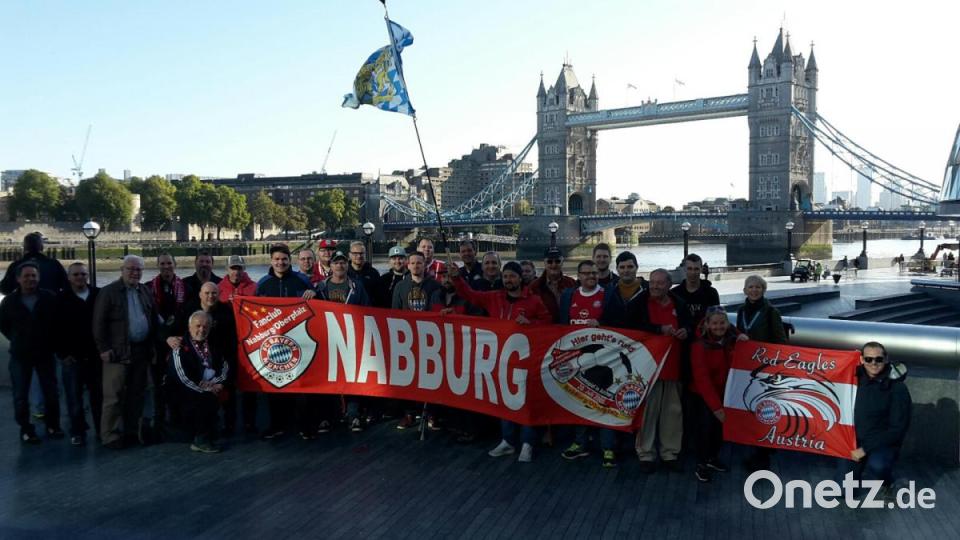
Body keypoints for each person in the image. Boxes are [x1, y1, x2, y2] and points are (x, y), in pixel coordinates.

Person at [450, 260, 551, 462]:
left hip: (525, 362)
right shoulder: (494, 297)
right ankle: (508, 441)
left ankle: (527, 443)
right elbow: (470, 295)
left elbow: (548, 323)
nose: (508, 280)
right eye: (505, 276)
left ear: (520, 278)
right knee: (506, 401)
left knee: (525, 403)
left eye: (512, 276)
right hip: (502, 360)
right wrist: (456, 278)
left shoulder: (534, 301)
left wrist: (531, 323)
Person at [558, 260, 619, 468]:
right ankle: (580, 443)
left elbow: (622, 323)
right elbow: (561, 326)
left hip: (603, 359)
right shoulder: (569, 296)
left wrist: (602, 325)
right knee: (579, 400)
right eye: (587, 273)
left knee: (603, 403)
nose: (591, 276)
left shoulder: (609, 295)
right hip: (576, 359)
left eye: (594, 273)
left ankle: (608, 447)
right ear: (579, 276)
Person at [630, 268, 692, 473]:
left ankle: (670, 453)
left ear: (669, 285)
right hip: (648, 368)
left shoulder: (679, 304)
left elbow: (689, 326)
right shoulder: (639, 303)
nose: (654, 286)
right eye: (652, 282)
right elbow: (631, 326)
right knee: (648, 412)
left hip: (674, 366)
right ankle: (645, 453)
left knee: (672, 413)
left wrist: (686, 331)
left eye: (659, 283)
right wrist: (658, 330)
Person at [93, 255, 157, 449]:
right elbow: (98, 323)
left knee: (137, 395)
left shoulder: (145, 291)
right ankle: (110, 436)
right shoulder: (108, 292)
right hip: (117, 353)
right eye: (130, 269)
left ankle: (131, 432)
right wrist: (103, 348)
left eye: (138, 270)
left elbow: (153, 319)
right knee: (114, 396)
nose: (134, 273)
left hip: (141, 351)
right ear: (122, 270)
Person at [256, 244, 316, 440]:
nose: (280, 262)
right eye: (277, 259)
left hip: (300, 341)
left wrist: (314, 295)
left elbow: (317, 308)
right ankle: (277, 425)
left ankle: (304, 425)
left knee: (301, 387)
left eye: (284, 259)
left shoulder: (302, 281)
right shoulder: (263, 284)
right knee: (275, 385)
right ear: (271, 261)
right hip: (273, 343)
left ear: (290, 261)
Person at [838, 342, 912, 496]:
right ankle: (857, 473)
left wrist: (864, 449)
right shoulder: (852, 379)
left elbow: (897, 430)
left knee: (878, 466)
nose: (873, 363)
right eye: (868, 359)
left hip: (882, 443)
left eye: (878, 359)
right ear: (861, 359)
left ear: (886, 359)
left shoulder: (897, 388)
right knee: (843, 492)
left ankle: (888, 481)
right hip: (855, 441)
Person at [0, 262, 62, 443]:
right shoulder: (9, 302)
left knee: (51, 392)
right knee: (20, 395)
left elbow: (57, 324)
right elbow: (3, 325)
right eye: (26, 276)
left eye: (34, 275)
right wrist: (18, 340)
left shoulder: (49, 298)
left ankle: (53, 425)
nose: (30, 279)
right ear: (18, 279)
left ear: (39, 278)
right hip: (20, 355)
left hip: (45, 353)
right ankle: (26, 429)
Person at [735, 274, 787, 471]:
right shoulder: (741, 311)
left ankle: (762, 457)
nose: (754, 290)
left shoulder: (771, 311)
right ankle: (756, 448)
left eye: (758, 287)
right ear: (745, 291)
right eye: (750, 287)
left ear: (763, 290)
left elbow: (780, 340)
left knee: (765, 410)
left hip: (765, 370)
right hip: (747, 368)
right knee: (750, 410)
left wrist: (775, 367)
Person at [690, 307, 747, 482]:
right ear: (707, 324)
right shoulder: (699, 346)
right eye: (714, 323)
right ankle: (701, 463)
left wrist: (741, 336)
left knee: (719, 430)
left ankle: (712, 459)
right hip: (703, 395)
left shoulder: (730, 340)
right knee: (705, 429)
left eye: (722, 323)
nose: (718, 326)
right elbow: (702, 379)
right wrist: (716, 408)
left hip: (725, 392)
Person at [316, 251, 371, 433]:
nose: (339, 266)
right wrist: (309, 293)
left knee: (352, 378)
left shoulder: (357, 286)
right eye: (336, 263)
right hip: (327, 341)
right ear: (330, 266)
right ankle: (326, 416)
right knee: (326, 379)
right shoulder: (320, 288)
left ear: (347, 265)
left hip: (351, 339)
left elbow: (367, 311)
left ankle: (353, 415)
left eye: (342, 263)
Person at [391, 251, 442, 429]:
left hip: (429, 339)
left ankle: (432, 414)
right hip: (407, 339)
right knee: (407, 378)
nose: (415, 266)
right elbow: (394, 313)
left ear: (425, 265)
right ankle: (409, 413)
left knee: (431, 377)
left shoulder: (435, 286)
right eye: (412, 263)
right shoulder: (400, 286)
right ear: (408, 265)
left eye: (419, 263)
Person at [169, 311, 228, 453]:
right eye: (198, 326)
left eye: (205, 326)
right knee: (205, 399)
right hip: (182, 390)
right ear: (189, 327)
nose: (201, 330)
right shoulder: (180, 347)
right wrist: (206, 389)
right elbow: (182, 378)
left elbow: (224, 366)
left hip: (208, 384)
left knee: (220, 393)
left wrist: (217, 383)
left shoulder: (214, 344)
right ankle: (200, 440)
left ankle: (212, 429)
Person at [56, 262, 102, 446]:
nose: (80, 278)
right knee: (73, 397)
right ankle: (78, 431)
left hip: (95, 356)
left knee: (98, 396)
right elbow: (54, 329)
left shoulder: (98, 295)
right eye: (76, 275)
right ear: (69, 278)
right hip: (72, 358)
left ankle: (101, 430)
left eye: (83, 274)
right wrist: (62, 353)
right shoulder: (60, 299)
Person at [149, 253, 188, 434]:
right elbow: (149, 319)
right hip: (158, 343)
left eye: (169, 263)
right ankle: (159, 419)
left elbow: (188, 315)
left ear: (175, 264)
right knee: (158, 385)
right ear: (158, 265)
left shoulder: (185, 287)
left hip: (180, 344)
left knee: (179, 382)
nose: (166, 267)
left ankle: (177, 419)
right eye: (162, 263)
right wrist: (164, 337)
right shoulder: (149, 288)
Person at [0, 232, 68, 295]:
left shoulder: (15, 265)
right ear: (42, 247)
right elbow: (67, 286)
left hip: (22, 305)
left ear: (24, 247)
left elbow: (5, 289)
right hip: (51, 305)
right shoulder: (54, 264)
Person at [670, 254, 720, 334]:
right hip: (682, 338)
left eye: (696, 269)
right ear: (684, 269)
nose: (693, 272)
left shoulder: (711, 293)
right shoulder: (674, 293)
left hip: (704, 338)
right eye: (689, 269)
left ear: (701, 269)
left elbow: (717, 318)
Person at [528, 246, 576, 319]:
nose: (554, 265)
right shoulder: (534, 286)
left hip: (568, 327)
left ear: (562, 262)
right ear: (544, 262)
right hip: (545, 328)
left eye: (557, 261)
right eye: (549, 261)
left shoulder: (572, 283)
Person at [346, 241, 383, 305]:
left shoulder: (373, 273)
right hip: (349, 311)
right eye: (355, 253)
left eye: (361, 253)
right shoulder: (344, 272)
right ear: (349, 255)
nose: (359, 256)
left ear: (365, 254)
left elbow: (379, 296)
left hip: (368, 311)